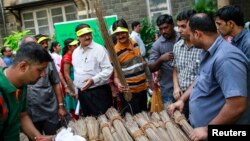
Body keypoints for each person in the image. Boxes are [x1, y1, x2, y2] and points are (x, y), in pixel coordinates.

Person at [168, 13, 250, 141]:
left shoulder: (226, 58)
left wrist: (208, 130)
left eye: (189, 35)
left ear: (197, 34)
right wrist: (182, 99)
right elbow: (200, 79)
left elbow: (237, 105)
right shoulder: (208, 52)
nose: (187, 38)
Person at [0, 42, 54, 141]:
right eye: (40, 70)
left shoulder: (22, 85)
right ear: (23, 66)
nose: (43, 75)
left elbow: (22, 115)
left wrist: (39, 137)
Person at [26, 34, 67, 137]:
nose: (44, 45)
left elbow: (56, 84)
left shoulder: (48, 61)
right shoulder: (21, 64)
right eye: (42, 43)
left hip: (49, 111)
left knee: (54, 136)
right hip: (30, 113)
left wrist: (61, 107)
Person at [72, 23, 113, 116]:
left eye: (89, 34)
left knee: (103, 120)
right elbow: (76, 72)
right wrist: (76, 90)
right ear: (77, 37)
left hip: (98, 93)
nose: (87, 37)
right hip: (83, 94)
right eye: (83, 35)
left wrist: (93, 80)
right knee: (89, 120)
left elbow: (108, 69)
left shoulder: (99, 49)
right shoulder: (75, 52)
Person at [112, 19, 148, 115]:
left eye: (122, 32)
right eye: (118, 34)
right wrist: (119, 84)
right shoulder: (115, 52)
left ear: (127, 30)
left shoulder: (134, 43)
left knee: (146, 118)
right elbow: (115, 77)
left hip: (143, 89)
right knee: (133, 120)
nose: (121, 36)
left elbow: (141, 63)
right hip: (129, 94)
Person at [171, 10, 201, 119]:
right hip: (180, 95)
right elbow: (175, 69)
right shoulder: (177, 46)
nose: (179, 30)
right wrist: (176, 87)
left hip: (198, 96)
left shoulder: (202, 48)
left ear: (192, 26)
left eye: (183, 26)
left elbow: (201, 77)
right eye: (178, 26)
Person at [148, 14, 179, 104]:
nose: (163, 31)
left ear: (172, 25)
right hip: (168, 89)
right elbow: (151, 67)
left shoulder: (182, 37)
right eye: (160, 29)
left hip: (187, 86)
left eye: (166, 28)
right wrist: (161, 59)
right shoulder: (157, 45)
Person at [60, 38, 79, 119]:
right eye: (74, 45)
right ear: (69, 47)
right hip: (72, 86)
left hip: (76, 83)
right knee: (76, 112)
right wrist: (73, 90)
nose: (77, 46)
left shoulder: (74, 55)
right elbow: (66, 75)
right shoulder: (67, 58)